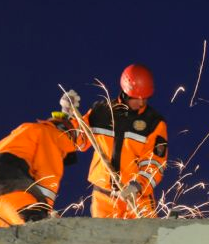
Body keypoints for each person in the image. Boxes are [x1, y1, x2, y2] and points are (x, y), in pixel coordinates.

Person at [61, 64, 168, 219]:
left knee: (148, 240)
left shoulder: (154, 123)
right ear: (125, 92)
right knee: (103, 242)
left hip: (137, 197)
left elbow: (156, 163)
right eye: (137, 98)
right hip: (104, 198)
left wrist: (137, 186)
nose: (142, 103)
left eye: (145, 98)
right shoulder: (101, 112)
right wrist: (69, 116)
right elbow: (80, 141)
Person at [0, 112, 78, 227]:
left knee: (13, 236)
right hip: (8, 179)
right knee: (37, 227)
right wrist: (45, 211)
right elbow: (47, 177)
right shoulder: (51, 135)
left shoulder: (29, 130)